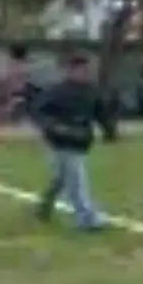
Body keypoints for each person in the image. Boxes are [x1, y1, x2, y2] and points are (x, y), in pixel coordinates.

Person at [31, 53, 110, 231]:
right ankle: (86, 218)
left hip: (80, 141)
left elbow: (101, 112)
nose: (85, 73)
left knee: (60, 179)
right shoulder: (57, 92)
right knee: (76, 180)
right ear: (70, 71)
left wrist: (109, 131)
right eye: (81, 70)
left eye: (87, 70)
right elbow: (39, 112)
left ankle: (44, 206)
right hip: (60, 143)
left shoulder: (91, 91)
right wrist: (54, 127)